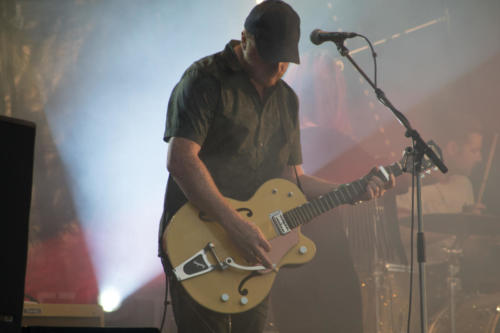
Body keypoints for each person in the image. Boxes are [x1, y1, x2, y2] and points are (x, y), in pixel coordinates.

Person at [158, 1, 395, 332]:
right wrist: (233, 223)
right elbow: (181, 160)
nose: (277, 68)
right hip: (200, 238)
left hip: (254, 253)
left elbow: (293, 180)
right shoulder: (205, 78)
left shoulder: (286, 100)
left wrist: (349, 191)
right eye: (268, 57)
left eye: (285, 60)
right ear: (245, 38)